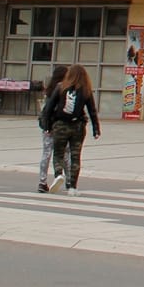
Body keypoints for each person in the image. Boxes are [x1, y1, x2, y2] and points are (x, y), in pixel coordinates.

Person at [41, 64, 101, 195]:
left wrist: (47, 126)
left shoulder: (60, 87)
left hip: (61, 124)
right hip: (78, 126)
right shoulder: (86, 90)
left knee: (58, 153)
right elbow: (92, 111)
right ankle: (73, 187)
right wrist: (96, 129)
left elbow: (49, 108)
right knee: (75, 156)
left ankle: (58, 175)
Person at [36, 64, 68, 192]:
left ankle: (42, 181)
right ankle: (70, 181)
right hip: (59, 125)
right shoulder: (63, 89)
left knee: (46, 154)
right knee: (65, 153)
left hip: (47, 126)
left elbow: (46, 110)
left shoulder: (49, 90)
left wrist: (46, 125)